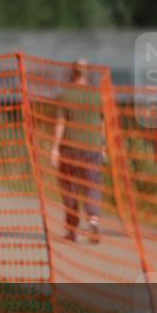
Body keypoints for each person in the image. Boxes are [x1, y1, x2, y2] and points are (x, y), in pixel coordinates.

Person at [50, 59, 104, 244]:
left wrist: (55, 149)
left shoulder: (65, 95)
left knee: (70, 189)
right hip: (93, 146)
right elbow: (102, 123)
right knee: (92, 185)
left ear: (72, 72)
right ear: (88, 73)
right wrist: (103, 146)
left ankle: (72, 230)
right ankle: (93, 220)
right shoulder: (98, 95)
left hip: (70, 148)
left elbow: (60, 123)